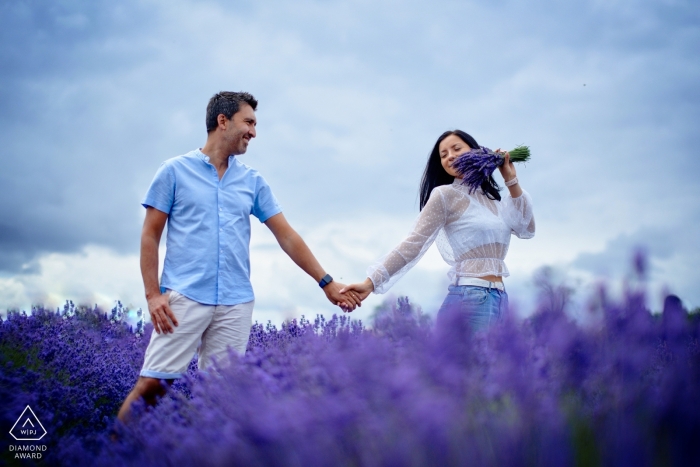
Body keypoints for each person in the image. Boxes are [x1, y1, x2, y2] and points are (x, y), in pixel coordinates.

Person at [117, 91, 360, 422]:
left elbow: (287, 235)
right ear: (223, 121)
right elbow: (150, 235)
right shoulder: (174, 171)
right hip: (184, 297)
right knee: (153, 386)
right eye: (249, 122)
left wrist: (326, 282)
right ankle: (113, 450)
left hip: (235, 302)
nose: (254, 132)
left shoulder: (252, 181)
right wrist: (152, 295)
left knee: (222, 398)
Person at [340, 130, 535, 331]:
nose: (450, 156)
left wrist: (511, 180)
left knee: (493, 363)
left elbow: (526, 228)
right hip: (470, 300)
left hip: (500, 298)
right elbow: (413, 243)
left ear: (475, 151)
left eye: (456, 149)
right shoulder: (445, 195)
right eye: (443, 155)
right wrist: (371, 282)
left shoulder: (494, 200)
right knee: (467, 363)